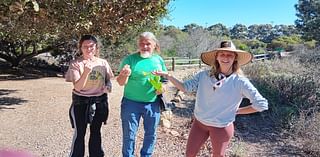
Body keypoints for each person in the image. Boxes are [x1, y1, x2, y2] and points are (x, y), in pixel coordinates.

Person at [153, 40, 268, 157]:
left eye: (230, 55)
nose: (225, 57)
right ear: (216, 57)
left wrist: (237, 111)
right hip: (199, 124)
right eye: (222, 54)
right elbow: (185, 88)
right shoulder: (204, 76)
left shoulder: (240, 81)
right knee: (189, 154)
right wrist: (168, 76)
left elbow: (261, 104)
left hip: (222, 127)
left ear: (235, 58)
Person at [116, 32, 167, 157]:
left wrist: (162, 88)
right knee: (129, 134)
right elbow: (121, 83)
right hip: (131, 103)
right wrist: (124, 75)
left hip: (152, 103)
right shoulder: (130, 60)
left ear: (154, 45)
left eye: (148, 44)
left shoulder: (158, 60)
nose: (144, 47)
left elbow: (165, 80)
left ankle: (146, 155)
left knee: (151, 133)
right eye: (141, 43)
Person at [65, 35, 114, 157]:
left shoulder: (103, 63)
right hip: (80, 102)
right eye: (85, 46)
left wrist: (108, 87)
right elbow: (77, 87)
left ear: (96, 47)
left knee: (96, 132)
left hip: (99, 102)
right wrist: (86, 71)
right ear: (80, 48)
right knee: (80, 133)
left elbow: (108, 80)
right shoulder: (76, 64)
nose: (89, 49)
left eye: (91, 46)